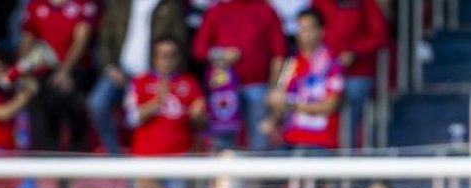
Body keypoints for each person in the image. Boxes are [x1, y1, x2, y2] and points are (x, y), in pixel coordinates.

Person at [88, 0, 187, 154]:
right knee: (97, 104)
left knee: (154, 114)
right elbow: (105, 37)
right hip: (120, 71)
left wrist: (165, 71)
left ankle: (147, 155)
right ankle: (115, 156)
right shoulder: (120, 4)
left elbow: (179, 42)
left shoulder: (169, 6)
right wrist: (109, 67)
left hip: (153, 74)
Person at [193, 0, 286, 152]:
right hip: (224, 89)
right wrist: (221, 54)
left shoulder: (266, 10)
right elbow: (199, 49)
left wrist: (274, 88)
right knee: (223, 143)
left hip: (258, 87)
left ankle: (258, 176)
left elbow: (278, 53)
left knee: (260, 142)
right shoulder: (217, 10)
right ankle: (225, 175)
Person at [19, 0, 97, 152]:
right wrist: (23, 72)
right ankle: (45, 159)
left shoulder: (84, 4)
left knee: (68, 95)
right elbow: (27, 40)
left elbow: (81, 41)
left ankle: (77, 156)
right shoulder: (35, 5)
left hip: (76, 69)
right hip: (43, 70)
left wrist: (65, 71)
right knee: (36, 96)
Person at [312, 0, 391, 148]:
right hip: (322, 74)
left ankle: (347, 157)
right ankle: (320, 157)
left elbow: (379, 36)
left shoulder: (365, 3)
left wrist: (354, 52)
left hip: (356, 73)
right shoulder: (320, 3)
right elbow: (310, 29)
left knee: (351, 109)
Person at [268, 8, 344, 152]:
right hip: (291, 140)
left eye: (309, 28)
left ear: (321, 32)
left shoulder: (332, 64)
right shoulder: (291, 63)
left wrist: (292, 105)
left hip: (321, 141)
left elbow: (330, 105)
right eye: (301, 28)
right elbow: (280, 98)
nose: (304, 34)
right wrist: (274, 107)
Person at [124, 36, 206, 157]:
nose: (168, 61)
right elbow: (131, 120)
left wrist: (198, 117)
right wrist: (157, 101)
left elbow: (203, 124)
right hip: (146, 159)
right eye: (164, 56)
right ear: (155, 58)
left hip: (180, 159)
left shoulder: (189, 83)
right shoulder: (140, 81)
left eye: (172, 55)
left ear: (178, 58)